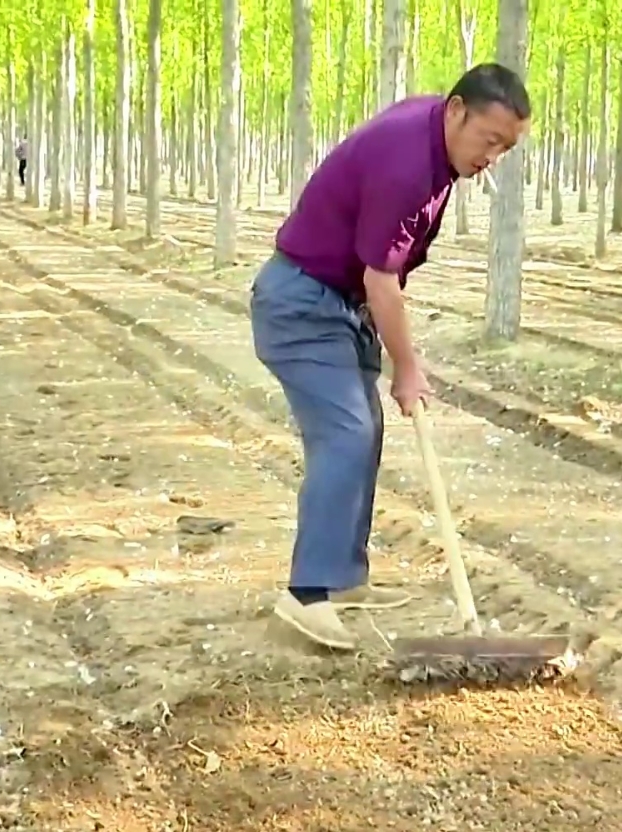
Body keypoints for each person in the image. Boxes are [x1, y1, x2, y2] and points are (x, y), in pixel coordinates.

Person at [249, 63, 530, 651]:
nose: (492, 158)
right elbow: (382, 280)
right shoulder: (406, 166)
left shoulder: (434, 135)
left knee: (365, 428)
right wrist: (408, 368)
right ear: (457, 111)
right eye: (489, 140)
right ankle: (305, 597)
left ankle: (342, 577)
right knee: (346, 432)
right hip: (301, 304)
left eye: (505, 148)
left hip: (338, 302)